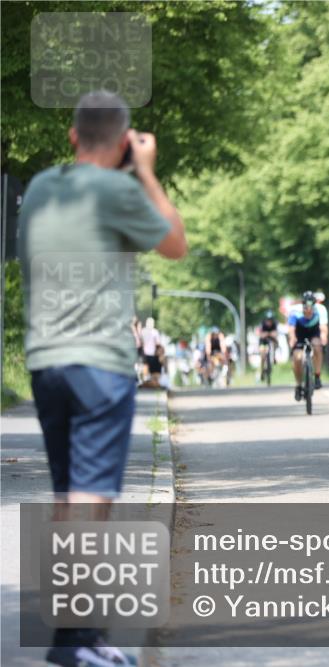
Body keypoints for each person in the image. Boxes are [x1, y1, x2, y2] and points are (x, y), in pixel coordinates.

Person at [17, 90, 185, 667]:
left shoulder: (40, 187)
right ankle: (75, 641)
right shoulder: (117, 188)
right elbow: (174, 242)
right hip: (99, 366)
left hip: (45, 362)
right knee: (90, 499)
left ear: (71, 136)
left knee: (70, 498)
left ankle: (80, 635)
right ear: (120, 143)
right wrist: (145, 171)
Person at [288, 290, 328, 400]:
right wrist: (292, 339)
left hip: (314, 332)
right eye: (306, 306)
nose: (308, 310)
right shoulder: (295, 311)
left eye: (311, 306)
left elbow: (323, 328)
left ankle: (317, 376)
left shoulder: (321, 310)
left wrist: (324, 337)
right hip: (300, 333)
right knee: (297, 357)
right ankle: (298, 385)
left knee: (317, 346)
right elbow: (291, 329)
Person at [257, 310, 279, 380]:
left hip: (271, 339)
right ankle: (262, 370)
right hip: (263, 341)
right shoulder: (262, 324)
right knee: (263, 355)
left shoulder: (275, 323)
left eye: (270, 320)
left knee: (276, 342)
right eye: (268, 320)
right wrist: (266, 334)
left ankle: (274, 356)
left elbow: (276, 333)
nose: (269, 322)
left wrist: (269, 334)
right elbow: (260, 334)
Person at [140, 317, 161, 387]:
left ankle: (147, 382)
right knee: (151, 369)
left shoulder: (143, 331)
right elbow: (158, 344)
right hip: (151, 353)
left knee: (146, 368)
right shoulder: (155, 332)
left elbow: (141, 342)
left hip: (147, 353)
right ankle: (150, 383)